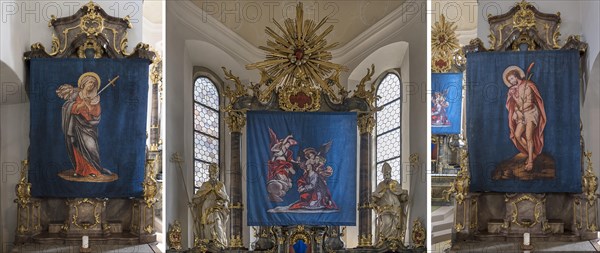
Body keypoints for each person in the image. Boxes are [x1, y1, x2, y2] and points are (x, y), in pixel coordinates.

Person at [56, 72, 105, 177]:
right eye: (89, 82)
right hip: (76, 126)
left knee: (91, 147)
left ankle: (93, 170)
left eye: (93, 83)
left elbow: (96, 113)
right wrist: (80, 105)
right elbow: (67, 107)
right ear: (83, 83)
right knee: (77, 147)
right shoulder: (75, 94)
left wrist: (89, 107)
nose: (91, 85)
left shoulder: (95, 98)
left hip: (89, 127)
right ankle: (81, 170)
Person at [503, 65, 547, 171]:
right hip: (521, 114)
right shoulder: (513, 89)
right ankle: (532, 153)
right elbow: (514, 105)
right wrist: (517, 111)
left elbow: (529, 102)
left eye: (512, 78)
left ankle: (531, 161)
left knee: (528, 136)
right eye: (509, 80)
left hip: (531, 112)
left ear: (517, 76)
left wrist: (520, 110)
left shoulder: (528, 85)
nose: (511, 81)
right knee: (517, 135)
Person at [192, 163, 229, 249]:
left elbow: (226, 198)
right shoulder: (205, 185)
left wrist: (224, 202)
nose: (213, 176)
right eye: (212, 173)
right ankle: (208, 243)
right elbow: (198, 196)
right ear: (209, 173)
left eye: (215, 174)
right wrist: (194, 202)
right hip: (206, 207)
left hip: (217, 207)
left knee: (217, 221)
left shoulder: (220, 185)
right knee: (207, 226)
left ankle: (220, 242)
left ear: (217, 174)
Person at [372, 162, 408, 244]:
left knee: (395, 226)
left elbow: (400, 194)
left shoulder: (395, 183)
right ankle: (383, 241)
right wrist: (373, 199)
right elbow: (376, 195)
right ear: (383, 175)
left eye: (388, 173)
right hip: (384, 209)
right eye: (385, 174)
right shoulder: (380, 185)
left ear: (390, 173)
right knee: (386, 223)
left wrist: (404, 197)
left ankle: (394, 239)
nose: (386, 175)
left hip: (395, 208)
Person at [267, 128, 297, 202]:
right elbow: (282, 143)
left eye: (289, 144)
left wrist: (296, 162)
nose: (288, 145)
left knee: (290, 173)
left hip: (284, 164)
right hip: (278, 163)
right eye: (288, 143)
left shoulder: (288, 152)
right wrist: (289, 136)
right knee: (280, 173)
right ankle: (278, 184)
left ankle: (282, 184)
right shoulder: (279, 149)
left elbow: (290, 160)